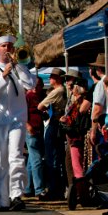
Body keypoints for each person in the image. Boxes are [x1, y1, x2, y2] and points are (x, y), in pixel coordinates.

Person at [0, 34, 36, 211]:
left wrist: (17, 67)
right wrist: (4, 74)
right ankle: (1, 198)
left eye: (9, 46)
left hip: (17, 119)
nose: (7, 49)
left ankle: (16, 195)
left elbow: (30, 84)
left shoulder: (20, 67)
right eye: (3, 46)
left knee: (16, 157)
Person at [60, 77, 92, 210]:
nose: (72, 89)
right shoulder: (74, 103)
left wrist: (66, 120)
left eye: (74, 87)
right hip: (73, 137)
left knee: (78, 167)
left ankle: (82, 195)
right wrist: (65, 119)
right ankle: (79, 194)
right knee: (73, 166)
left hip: (79, 137)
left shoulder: (84, 101)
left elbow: (78, 117)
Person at [37, 67, 68, 201]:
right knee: (57, 157)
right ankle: (58, 188)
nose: (50, 78)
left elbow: (40, 106)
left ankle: (54, 189)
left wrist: (47, 110)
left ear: (58, 79)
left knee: (52, 158)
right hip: (58, 124)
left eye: (52, 76)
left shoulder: (58, 91)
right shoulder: (64, 90)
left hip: (55, 123)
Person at [24, 77, 47, 199]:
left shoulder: (40, 96)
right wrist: (28, 126)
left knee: (31, 161)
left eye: (39, 85)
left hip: (38, 129)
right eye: (36, 85)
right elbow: (23, 113)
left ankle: (27, 188)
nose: (37, 88)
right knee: (36, 159)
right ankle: (39, 189)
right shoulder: (27, 97)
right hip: (31, 130)